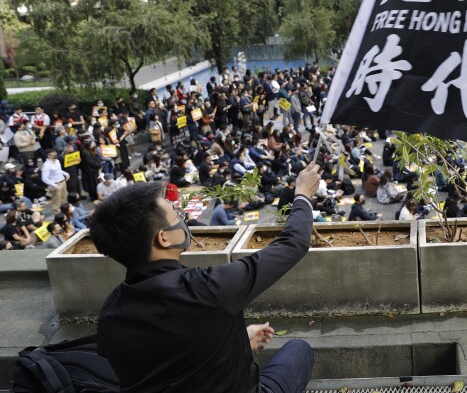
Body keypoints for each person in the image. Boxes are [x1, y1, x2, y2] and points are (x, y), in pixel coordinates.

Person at [88, 163, 321, 393]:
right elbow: (293, 244)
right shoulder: (208, 288)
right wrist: (301, 195)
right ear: (163, 238)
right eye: (177, 216)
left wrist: (236, 340)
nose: (183, 220)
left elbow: (165, 360)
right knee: (299, 349)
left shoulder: (110, 312)